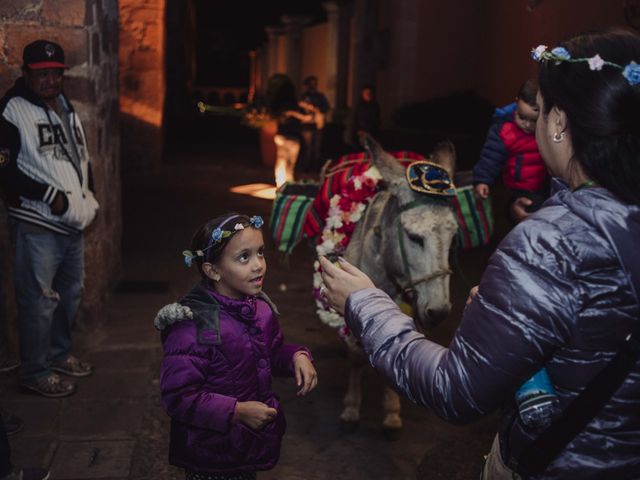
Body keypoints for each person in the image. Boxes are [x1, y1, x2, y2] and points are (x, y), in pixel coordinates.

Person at [319, 28, 640, 479]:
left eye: (542, 109)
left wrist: (365, 305)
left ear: (560, 122)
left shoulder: (547, 243)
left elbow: (456, 391)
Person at [155, 213, 317, 479]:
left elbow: (271, 352)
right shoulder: (195, 325)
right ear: (213, 270)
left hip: (247, 445)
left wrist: (296, 356)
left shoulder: (260, 311)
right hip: (210, 455)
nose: (258, 266)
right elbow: (178, 396)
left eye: (261, 253)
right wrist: (236, 412)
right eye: (244, 257)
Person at [0, 40, 99, 397]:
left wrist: (86, 192)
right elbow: (4, 168)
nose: (49, 80)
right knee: (39, 301)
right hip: (37, 222)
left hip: (72, 221)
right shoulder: (12, 110)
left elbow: (77, 155)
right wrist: (50, 196)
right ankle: (34, 371)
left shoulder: (64, 105)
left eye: (55, 73)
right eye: (41, 74)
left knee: (69, 295)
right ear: (25, 73)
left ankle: (58, 355)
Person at [473, 79, 548, 222]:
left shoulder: (548, 132)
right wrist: (482, 180)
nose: (526, 124)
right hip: (519, 188)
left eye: (533, 121)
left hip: (544, 187)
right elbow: (491, 157)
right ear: (516, 102)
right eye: (521, 117)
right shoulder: (504, 131)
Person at [299, 76, 330, 173]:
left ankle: (316, 168)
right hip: (307, 126)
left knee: (317, 149)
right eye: (311, 83)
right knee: (308, 148)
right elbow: (299, 109)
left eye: (315, 83)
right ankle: (306, 168)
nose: (313, 86)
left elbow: (326, 107)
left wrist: (317, 109)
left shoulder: (320, 96)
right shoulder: (303, 97)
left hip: (317, 125)